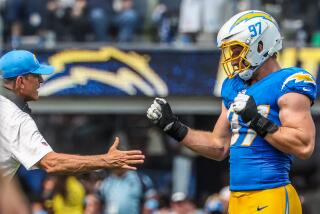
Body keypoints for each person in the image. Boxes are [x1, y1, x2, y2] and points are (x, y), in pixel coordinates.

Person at [147, 10, 317, 214]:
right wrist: (174, 127)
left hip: (270, 193)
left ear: (260, 46)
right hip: (236, 198)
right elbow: (219, 146)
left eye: (236, 50)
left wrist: (257, 120)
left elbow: (304, 145)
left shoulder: (288, 82)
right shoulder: (234, 87)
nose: (232, 59)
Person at [0, 49, 145, 178]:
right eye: (36, 76)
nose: (41, 80)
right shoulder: (16, 119)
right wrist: (106, 160)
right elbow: (52, 163)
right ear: (20, 81)